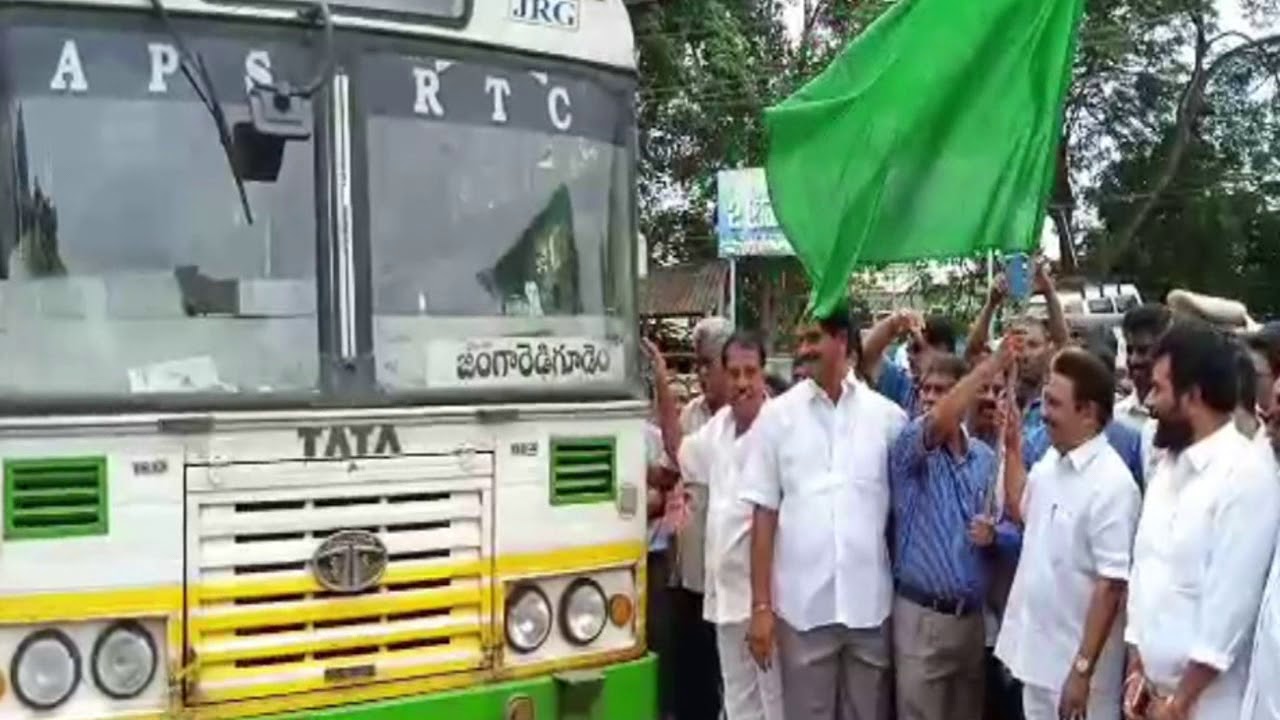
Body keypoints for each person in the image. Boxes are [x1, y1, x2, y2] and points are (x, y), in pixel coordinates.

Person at [742, 300, 909, 720]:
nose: (803, 349)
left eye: (813, 338)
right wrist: (760, 608)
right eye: (800, 340)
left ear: (842, 340)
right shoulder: (776, 418)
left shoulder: (888, 419)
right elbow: (763, 515)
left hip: (869, 607)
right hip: (802, 609)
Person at [1124, 323, 1280, 720]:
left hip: (1208, 705)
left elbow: (1229, 612)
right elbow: (1145, 575)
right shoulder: (1166, 468)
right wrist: (1138, 672)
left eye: (1159, 389)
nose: (1148, 402)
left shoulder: (1245, 475)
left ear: (1192, 395)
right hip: (1153, 700)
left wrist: (1179, 703)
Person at [995, 348, 1141, 720]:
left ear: (1089, 413)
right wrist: (1012, 447)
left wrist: (1081, 671)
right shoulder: (1051, 462)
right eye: (1045, 401)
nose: (1043, 414)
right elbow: (1021, 507)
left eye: (1055, 404)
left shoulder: (1112, 486)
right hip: (1036, 665)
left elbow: (1112, 586)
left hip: (1078, 681)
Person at [887, 340, 1019, 720]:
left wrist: (996, 537)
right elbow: (938, 422)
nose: (930, 398)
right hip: (921, 618)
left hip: (970, 624)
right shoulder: (911, 446)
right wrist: (989, 365)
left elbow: (1012, 527)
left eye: (942, 389)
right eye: (925, 389)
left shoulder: (984, 459)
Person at [655, 331, 784, 720]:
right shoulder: (720, 427)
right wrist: (662, 381)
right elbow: (679, 452)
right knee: (740, 705)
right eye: (734, 373)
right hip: (725, 599)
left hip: (768, 603)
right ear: (723, 377)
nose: (742, 382)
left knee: (775, 706)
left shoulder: (782, 426)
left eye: (751, 372)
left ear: (764, 374)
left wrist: (765, 607)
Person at [651, 317, 731, 720]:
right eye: (696, 364)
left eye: (707, 364)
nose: (700, 374)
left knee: (727, 688)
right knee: (689, 688)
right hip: (687, 576)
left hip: (726, 581)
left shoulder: (745, 418)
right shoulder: (693, 413)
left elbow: (676, 448)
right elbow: (668, 471)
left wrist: (662, 382)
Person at [862, 310, 958, 414]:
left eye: (917, 348)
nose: (909, 356)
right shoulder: (905, 386)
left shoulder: (964, 392)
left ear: (942, 350)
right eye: (908, 349)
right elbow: (866, 356)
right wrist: (893, 324)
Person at [1117, 304, 1173, 430]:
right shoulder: (1116, 419)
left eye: (1143, 350)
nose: (1133, 359)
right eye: (1129, 350)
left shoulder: (1185, 422)